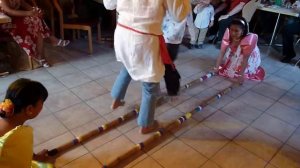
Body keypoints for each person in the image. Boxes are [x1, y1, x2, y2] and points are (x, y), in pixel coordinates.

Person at [103, 0, 190, 134]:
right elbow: (179, 15)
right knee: (150, 84)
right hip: (144, 38)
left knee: (128, 65)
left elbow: (109, 4)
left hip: (123, 32)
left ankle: (116, 98)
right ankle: (146, 124)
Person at [0, 78, 55, 167]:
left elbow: (20, 150)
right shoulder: (17, 135)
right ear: (29, 109)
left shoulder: (11, 128)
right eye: (42, 103)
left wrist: (35, 157)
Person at [0, 0, 70, 68]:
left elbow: (27, 6)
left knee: (36, 18)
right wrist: (29, 13)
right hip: (6, 22)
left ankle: (42, 56)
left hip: (16, 18)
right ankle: (51, 42)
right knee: (32, 21)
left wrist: (36, 10)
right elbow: (10, 12)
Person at [214, 17, 265, 84]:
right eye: (231, 30)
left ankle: (243, 69)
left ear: (243, 31)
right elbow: (222, 52)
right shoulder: (228, 34)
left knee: (242, 71)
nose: (233, 33)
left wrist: (241, 75)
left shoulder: (248, 40)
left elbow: (245, 58)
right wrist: (216, 68)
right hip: (237, 53)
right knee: (229, 67)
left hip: (248, 55)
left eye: (236, 31)